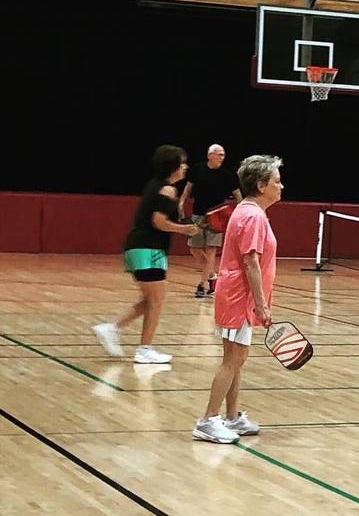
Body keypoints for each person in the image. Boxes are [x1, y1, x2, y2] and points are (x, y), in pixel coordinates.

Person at [192, 155, 283, 444]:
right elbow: (251, 263)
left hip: (238, 295)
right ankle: (207, 420)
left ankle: (231, 418)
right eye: (277, 182)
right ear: (261, 185)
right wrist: (261, 303)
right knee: (233, 359)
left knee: (237, 359)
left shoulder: (249, 210)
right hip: (238, 297)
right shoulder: (253, 215)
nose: (282, 186)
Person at [93, 145, 200, 364]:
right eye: (182, 162)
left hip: (136, 248)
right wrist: (184, 230)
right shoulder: (168, 190)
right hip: (148, 248)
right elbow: (158, 221)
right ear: (172, 166)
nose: (185, 166)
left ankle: (111, 329)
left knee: (149, 300)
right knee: (157, 301)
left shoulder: (155, 186)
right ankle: (144, 350)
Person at [178, 144, 242, 298]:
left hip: (217, 217)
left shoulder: (227, 175)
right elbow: (188, 188)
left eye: (223, 155)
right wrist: (181, 203)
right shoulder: (198, 169)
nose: (222, 157)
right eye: (219, 154)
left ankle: (201, 285)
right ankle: (213, 276)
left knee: (211, 250)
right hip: (198, 214)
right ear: (210, 155)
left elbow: (237, 194)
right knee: (194, 248)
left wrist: (241, 211)